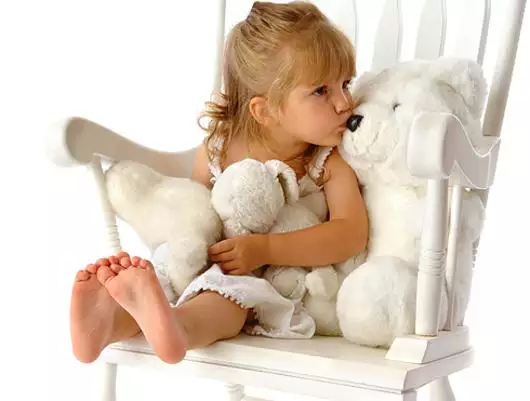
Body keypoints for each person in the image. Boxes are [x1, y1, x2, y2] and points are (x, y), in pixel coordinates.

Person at [70, 1, 369, 365]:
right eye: (321, 90)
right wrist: (188, 251)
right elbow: (196, 209)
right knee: (169, 280)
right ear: (265, 110)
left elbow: (350, 233)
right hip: (208, 264)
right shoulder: (221, 147)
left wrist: (266, 250)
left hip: (277, 281)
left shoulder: (326, 161)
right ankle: (108, 321)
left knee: (229, 299)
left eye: (345, 83)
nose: (345, 103)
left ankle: (177, 330)